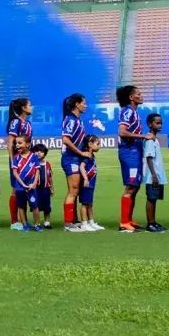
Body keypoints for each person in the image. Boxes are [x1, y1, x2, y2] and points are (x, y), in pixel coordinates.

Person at [116, 85, 147, 233]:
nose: (141, 96)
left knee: (135, 186)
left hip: (135, 151)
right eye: (138, 94)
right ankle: (123, 222)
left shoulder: (134, 112)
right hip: (129, 152)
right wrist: (143, 136)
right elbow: (122, 132)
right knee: (130, 186)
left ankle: (129, 219)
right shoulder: (128, 111)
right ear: (131, 97)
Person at [60, 93, 89, 232]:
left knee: (76, 190)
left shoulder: (78, 120)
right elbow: (65, 139)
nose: (86, 105)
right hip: (70, 158)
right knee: (73, 190)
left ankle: (73, 220)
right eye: (84, 103)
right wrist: (80, 152)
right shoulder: (70, 120)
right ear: (77, 104)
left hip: (75, 158)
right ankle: (67, 224)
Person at [5, 97, 33, 230]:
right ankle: (14, 221)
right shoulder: (16, 122)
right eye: (30, 105)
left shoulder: (27, 123)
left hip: (27, 160)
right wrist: (12, 160)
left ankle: (24, 220)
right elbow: (10, 142)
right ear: (23, 108)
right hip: (18, 161)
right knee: (16, 189)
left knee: (24, 189)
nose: (31, 107)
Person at [143, 113, 167, 232]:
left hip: (157, 175)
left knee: (154, 199)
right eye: (157, 123)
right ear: (149, 124)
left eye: (160, 123)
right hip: (152, 176)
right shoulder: (150, 140)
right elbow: (148, 157)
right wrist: (153, 175)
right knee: (151, 199)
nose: (160, 125)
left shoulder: (154, 139)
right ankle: (150, 224)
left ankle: (153, 222)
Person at [10, 134, 40, 232]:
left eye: (20, 143)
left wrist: (34, 183)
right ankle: (25, 225)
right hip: (20, 187)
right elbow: (15, 172)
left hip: (31, 187)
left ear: (27, 144)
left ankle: (37, 224)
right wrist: (22, 184)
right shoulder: (16, 158)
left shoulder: (34, 157)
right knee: (21, 206)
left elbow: (37, 171)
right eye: (16, 143)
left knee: (35, 206)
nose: (17, 145)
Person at [77, 134, 103, 232]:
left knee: (89, 203)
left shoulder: (92, 156)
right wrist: (86, 179)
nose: (99, 146)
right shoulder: (86, 155)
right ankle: (84, 223)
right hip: (87, 183)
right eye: (98, 144)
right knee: (84, 203)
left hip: (92, 183)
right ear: (90, 144)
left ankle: (91, 222)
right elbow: (82, 167)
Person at [33, 143, 53, 229]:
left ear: (45, 153)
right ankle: (36, 222)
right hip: (35, 189)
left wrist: (52, 188)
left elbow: (50, 176)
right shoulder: (32, 163)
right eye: (36, 151)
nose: (38, 153)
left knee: (47, 206)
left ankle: (47, 222)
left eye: (41, 151)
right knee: (35, 205)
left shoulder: (47, 164)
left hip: (46, 189)